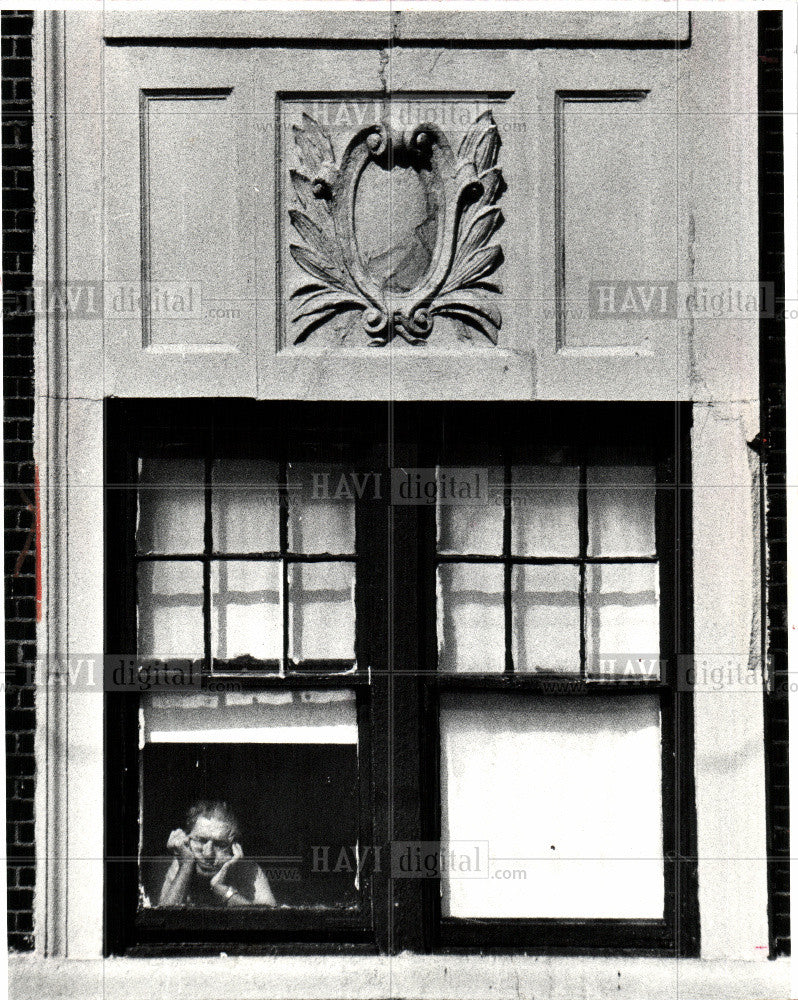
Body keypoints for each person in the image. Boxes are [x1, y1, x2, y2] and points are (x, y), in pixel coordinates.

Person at [158, 800, 276, 907]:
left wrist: (223, 890)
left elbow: (271, 923)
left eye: (220, 845)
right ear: (187, 840)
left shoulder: (248, 870)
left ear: (234, 848)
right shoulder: (184, 861)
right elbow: (163, 920)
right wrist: (186, 866)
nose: (208, 854)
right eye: (201, 840)